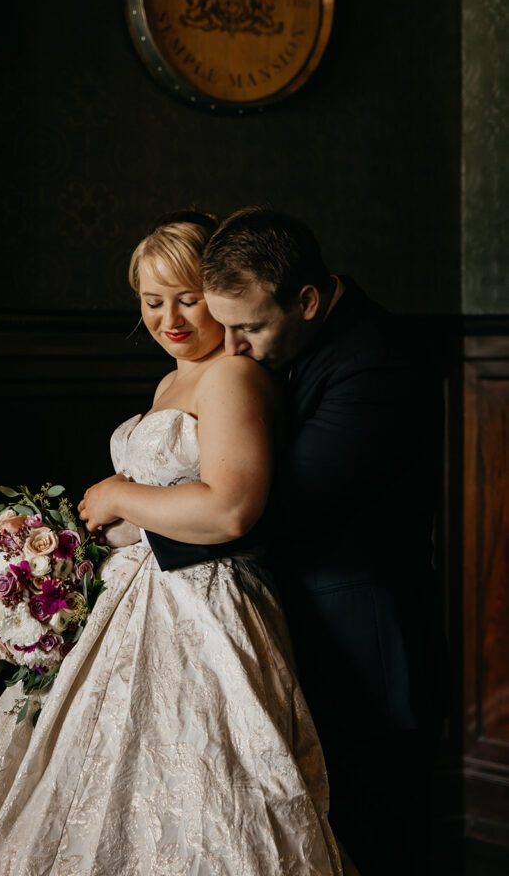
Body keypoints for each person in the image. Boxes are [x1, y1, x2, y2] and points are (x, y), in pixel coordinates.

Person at [0, 212, 347, 876]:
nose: (168, 317)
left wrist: (118, 497)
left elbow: (228, 509)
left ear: (220, 294)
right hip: (132, 595)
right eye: (151, 301)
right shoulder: (172, 381)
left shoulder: (230, 377)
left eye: (186, 297)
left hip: (199, 604)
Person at [132, 208, 448, 876]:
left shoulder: (376, 361)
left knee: (374, 829)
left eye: (247, 327)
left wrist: (139, 521)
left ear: (306, 299)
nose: (236, 346)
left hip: (365, 635)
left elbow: (281, 506)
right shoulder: (282, 349)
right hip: (287, 619)